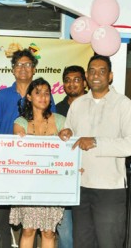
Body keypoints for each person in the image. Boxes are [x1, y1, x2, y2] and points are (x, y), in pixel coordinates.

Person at [59, 55, 131, 248]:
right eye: (92, 71)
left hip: (110, 188)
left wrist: (97, 142)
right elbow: (71, 138)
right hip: (80, 186)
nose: (96, 75)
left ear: (110, 76)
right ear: (87, 76)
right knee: (82, 242)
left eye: (102, 71)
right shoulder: (77, 105)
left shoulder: (123, 104)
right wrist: (66, 134)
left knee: (108, 242)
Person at [0, 48, 56, 248]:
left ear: (34, 69)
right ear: (13, 70)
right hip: (6, 161)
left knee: (33, 219)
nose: (23, 68)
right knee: (2, 214)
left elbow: (50, 124)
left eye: (28, 64)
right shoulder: (2, 96)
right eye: (19, 65)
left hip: (35, 164)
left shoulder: (44, 95)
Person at [9, 78, 65, 248]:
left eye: (47, 93)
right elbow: (20, 152)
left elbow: (67, 152)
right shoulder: (20, 123)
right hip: (28, 184)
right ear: (29, 97)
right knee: (28, 230)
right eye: (38, 92)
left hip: (53, 184)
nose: (43, 97)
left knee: (49, 232)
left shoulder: (62, 121)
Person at [55, 65, 87, 248]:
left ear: (85, 83)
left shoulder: (94, 107)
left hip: (88, 176)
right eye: (67, 80)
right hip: (63, 176)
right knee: (65, 230)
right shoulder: (56, 109)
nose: (71, 84)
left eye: (76, 80)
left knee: (84, 229)